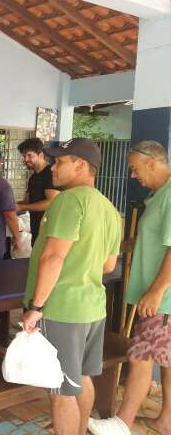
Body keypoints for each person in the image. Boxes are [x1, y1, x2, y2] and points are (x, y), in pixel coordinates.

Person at [21, 138, 121, 435]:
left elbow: (53, 257)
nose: (53, 166)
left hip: (63, 308)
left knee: (61, 389)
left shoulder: (69, 200)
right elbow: (108, 266)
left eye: (61, 161)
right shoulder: (108, 207)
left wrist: (35, 307)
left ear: (80, 165)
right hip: (93, 307)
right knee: (83, 378)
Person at [89, 141, 171, 435]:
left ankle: (121, 424)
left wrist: (157, 290)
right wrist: (125, 246)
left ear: (153, 162)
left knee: (141, 356)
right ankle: (166, 420)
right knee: (165, 358)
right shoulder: (159, 195)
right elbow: (155, 240)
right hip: (162, 295)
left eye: (135, 169)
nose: (134, 175)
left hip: (163, 298)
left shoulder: (170, 195)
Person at [16, 138, 60, 245]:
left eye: (29, 155)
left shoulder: (50, 174)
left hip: (50, 232)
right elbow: (27, 202)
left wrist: (22, 207)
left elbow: (51, 203)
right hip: (36, 230)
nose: (26, 159)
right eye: (24, 156)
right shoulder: (33, 177)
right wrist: (9, 205)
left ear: (40, 155)